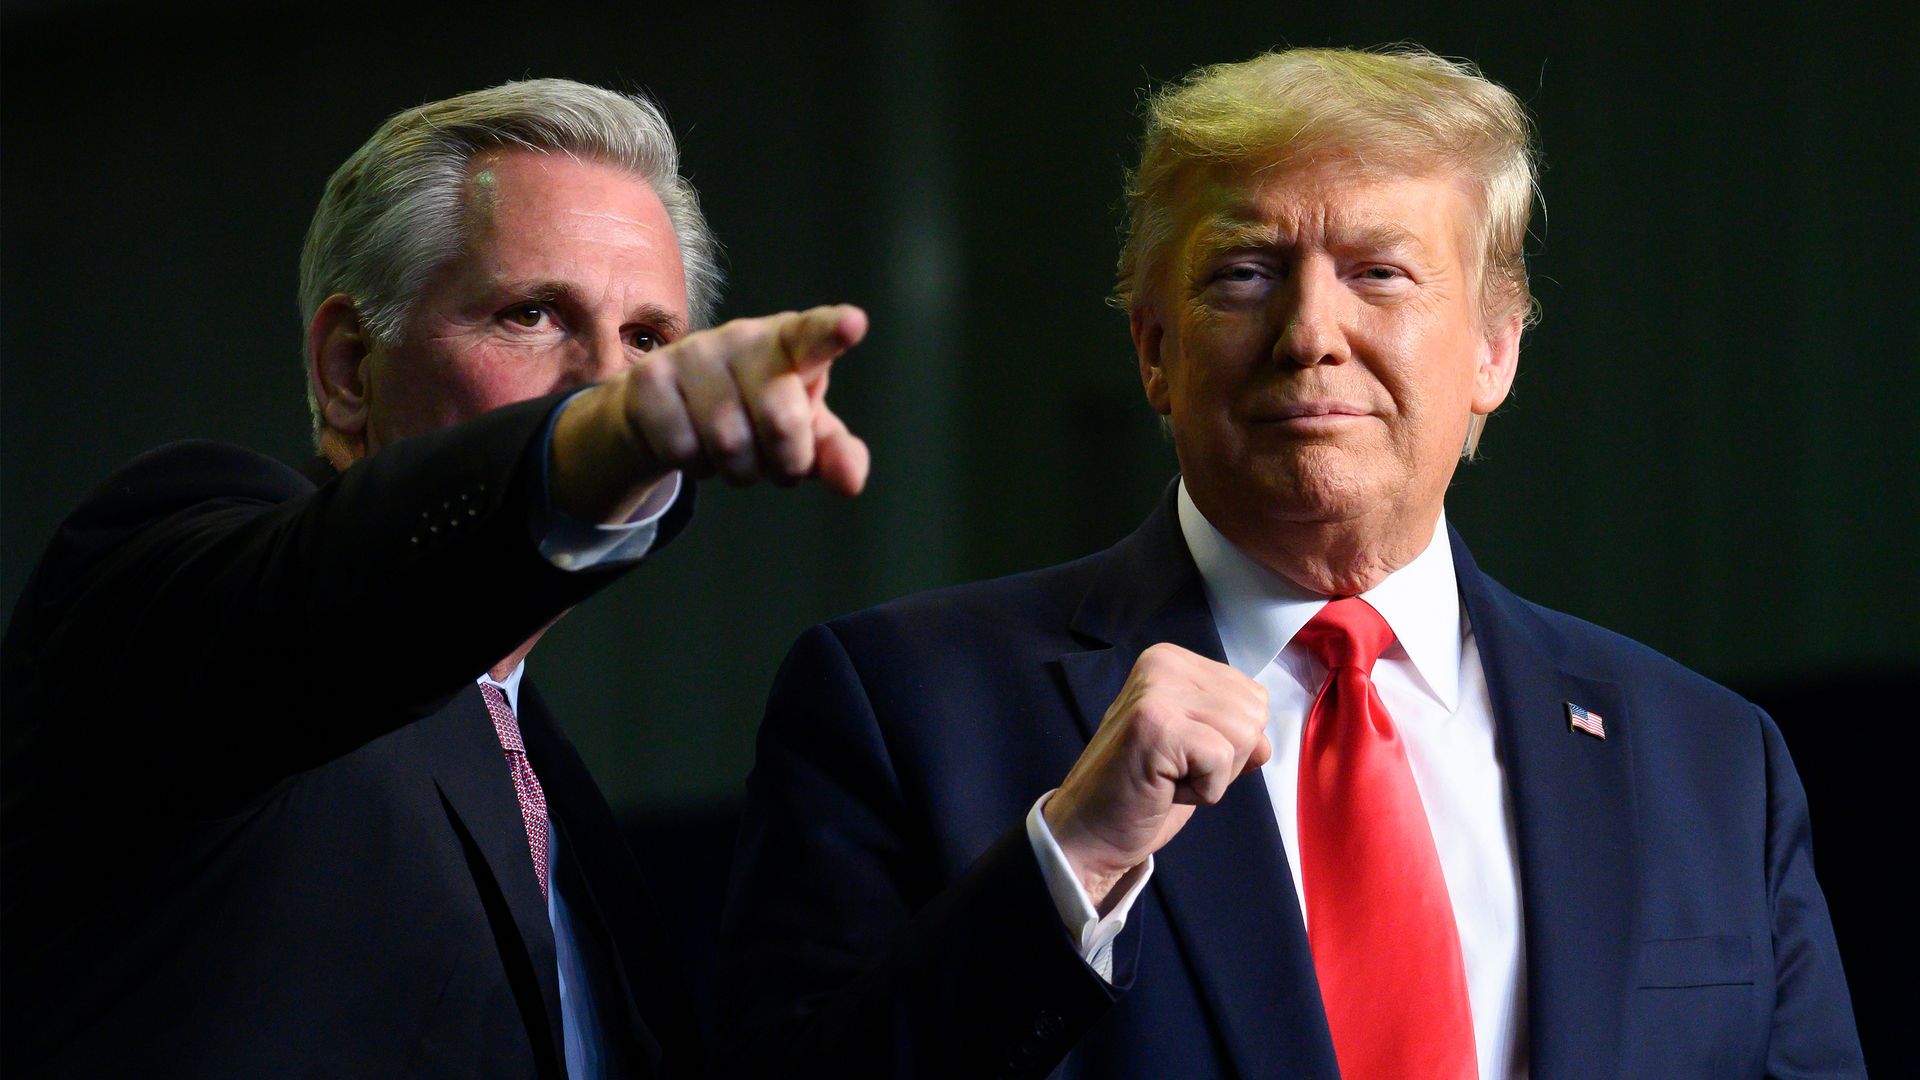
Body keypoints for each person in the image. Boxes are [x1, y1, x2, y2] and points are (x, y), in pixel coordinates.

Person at [715, 46, 1864, 1078]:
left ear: (1496, 350)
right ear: (1154, 350)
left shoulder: (1714, 761)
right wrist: (1078, 853)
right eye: (1245, 273)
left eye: (1380, 272)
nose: (1311, 330)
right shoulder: (896, 704)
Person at [1, 79, 870, 1078]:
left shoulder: (546, 774)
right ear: (346, 369)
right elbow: (329, 602)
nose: (606, 382)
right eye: (532, 314)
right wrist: (612, 437)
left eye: (647, 341)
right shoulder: (172, 570)